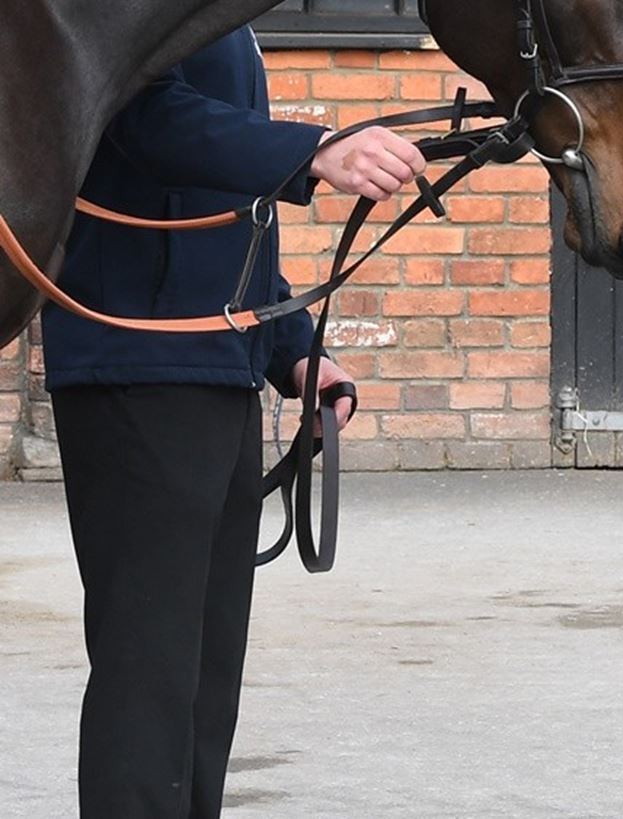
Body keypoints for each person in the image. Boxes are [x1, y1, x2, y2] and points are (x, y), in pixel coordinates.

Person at [43, 26, 427, 818]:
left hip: (216, 366)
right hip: (136, 363)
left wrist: (292, 351)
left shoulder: (227, 21)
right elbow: (144, 120)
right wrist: (314, 150)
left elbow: (233, 213)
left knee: (205, 678)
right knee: (147, 673)